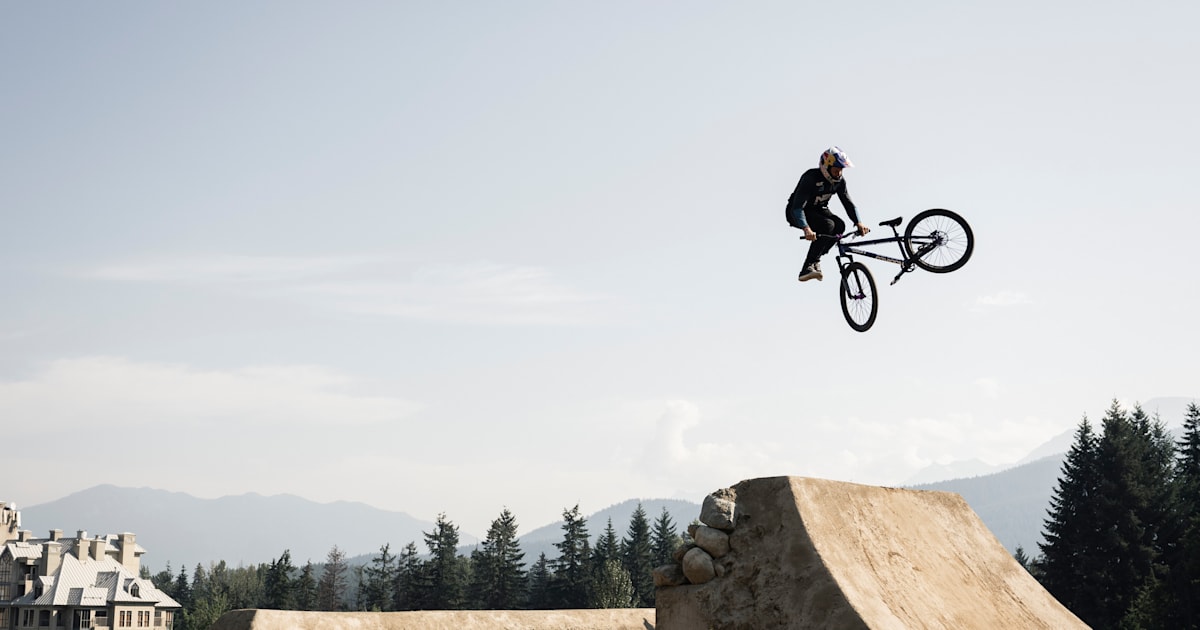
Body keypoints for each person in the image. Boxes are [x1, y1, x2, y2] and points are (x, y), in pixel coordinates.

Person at [785, 146, 870, 281]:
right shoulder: (810, 178)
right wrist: (806, 228)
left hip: (819, 209)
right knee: (828, 225)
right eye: (836, 170)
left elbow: (848, 203)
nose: (839, 174)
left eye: (841, 170)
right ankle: (807, 267)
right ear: (826, 167)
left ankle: (818, 256)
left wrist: (858, 222)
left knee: (840, 225)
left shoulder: (839, 182)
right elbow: (797, 208)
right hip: (797, 212)